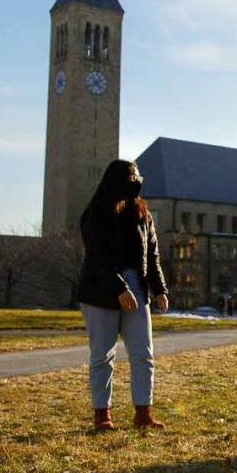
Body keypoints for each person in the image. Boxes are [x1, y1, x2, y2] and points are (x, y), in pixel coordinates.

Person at [77, 159, 168, 432]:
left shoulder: (143, 214)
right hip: (100, 290)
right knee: (103, 355)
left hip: (137, 288)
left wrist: (160, 288)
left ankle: (143, 413)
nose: (136, 184)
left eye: (138, 179)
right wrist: (119, 288)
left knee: (143, 354)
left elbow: (152, 255)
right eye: (130, 179)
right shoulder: (96, 213)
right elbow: (98, 257)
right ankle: (102, 416)